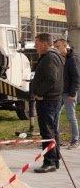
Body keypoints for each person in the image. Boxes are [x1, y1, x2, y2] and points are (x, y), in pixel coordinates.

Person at [31, 33, 64, 173]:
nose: (35, 46)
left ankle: (49, 161)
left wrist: (39, 93)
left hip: (47, 100)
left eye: (37, 43)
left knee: (47, 131)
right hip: (51, 99)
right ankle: (54, 159)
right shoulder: (50, 56)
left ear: (45, 44)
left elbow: (51, 78)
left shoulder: (50, 57)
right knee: (52, 130)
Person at [54, 38, 80, 149]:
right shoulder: (61, 58)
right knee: (55, 115)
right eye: (55, 47)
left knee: (70, 116)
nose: (56, 49)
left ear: (65, 46)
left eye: (58, 46)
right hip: (60, 92)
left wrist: (72, 94)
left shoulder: (73, 59)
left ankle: (75, 140)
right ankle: (55, 140)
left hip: (69, 93)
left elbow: (77, 77)